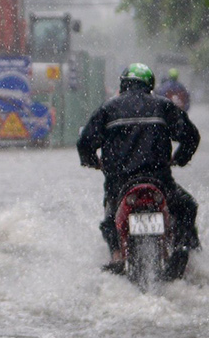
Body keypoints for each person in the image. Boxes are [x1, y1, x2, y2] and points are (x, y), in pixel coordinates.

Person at [77, 62, 201, 273]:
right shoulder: (163, 106)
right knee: (187, 206)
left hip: (121, 184)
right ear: (149, 84)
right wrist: (179, 158)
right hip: (159, 183)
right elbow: (191, 136)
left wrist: (91, 160)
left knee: (109, 218)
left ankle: (116, 255)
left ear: (124, 85)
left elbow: (85, 142)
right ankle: (184, 251)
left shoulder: (108, 109)